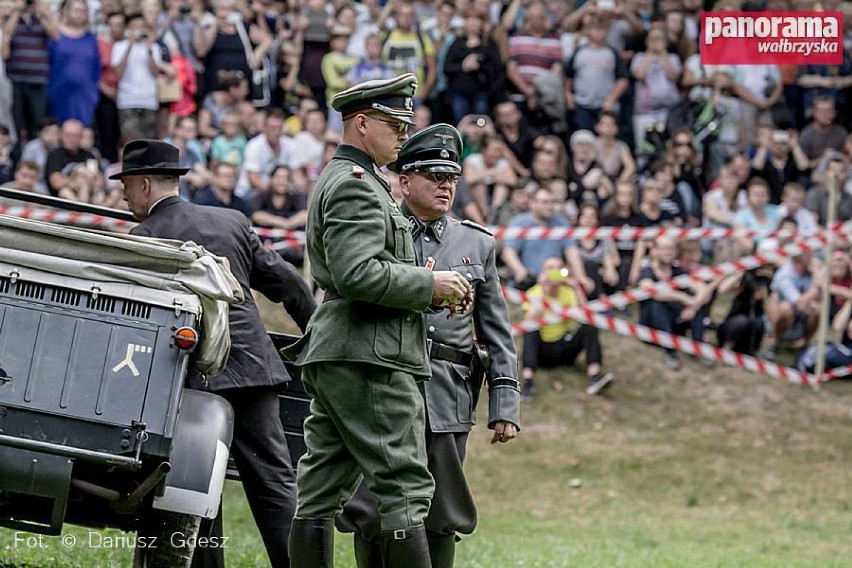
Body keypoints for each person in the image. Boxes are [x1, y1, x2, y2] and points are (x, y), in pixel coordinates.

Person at [284, 74, 472, 567]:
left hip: (347, 349)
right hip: (370, 355)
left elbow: (364, 271)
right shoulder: (356, 186)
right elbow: (357, 273)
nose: (404, 135)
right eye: (395, 124)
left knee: (322, 483)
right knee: (405, 485)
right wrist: (430, 285)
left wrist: (426, 295)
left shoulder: (358, 181)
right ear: (362, 124)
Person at [113, 138, 316, 568]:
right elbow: (289, 284)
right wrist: (314, 336)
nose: (123, 195)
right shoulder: (233, 221)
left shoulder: (146, 236)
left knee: (197, 487)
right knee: (276, 484)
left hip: (195, 381)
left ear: (145, 185)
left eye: (127, 186)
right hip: (253, 371)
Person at [337, 123, 521, 568]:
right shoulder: (376, 231)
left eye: (452, 179)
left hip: (446, 393)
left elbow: (497, 330)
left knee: (443, 511)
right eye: (434, 177)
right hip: (382, 387)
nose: (445, 187)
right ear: (404, 180)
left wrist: (505, 404)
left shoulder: (475, 243)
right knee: (373, 508)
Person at [521, 256, 614, 401]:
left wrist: (576, 287)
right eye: (550, 268)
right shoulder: (534, 292)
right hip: (542, 350)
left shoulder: (568, 291)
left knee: (590, 326)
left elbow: (585, 315)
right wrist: (545, 293)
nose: (555, 272)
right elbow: (530, 320)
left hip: (564, 345)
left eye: (558, 268)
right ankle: (527, 382)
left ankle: (594, 376)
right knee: (530, 330)